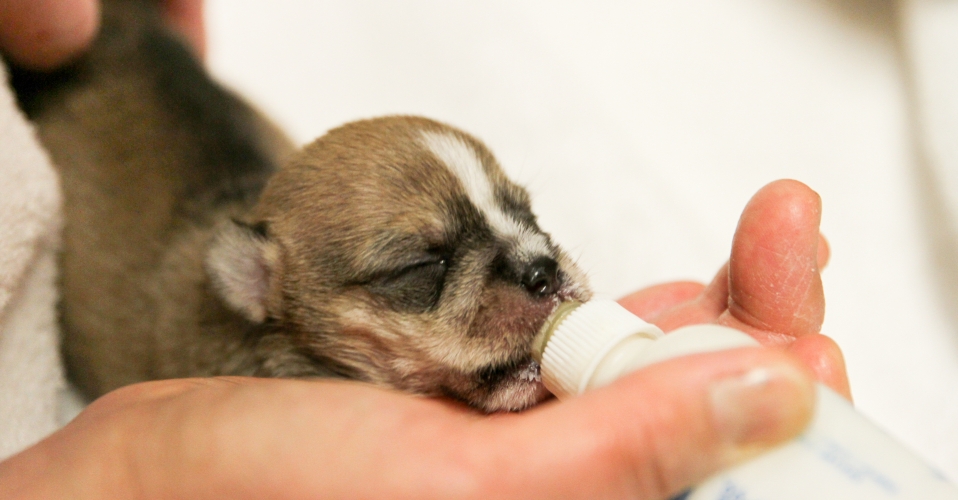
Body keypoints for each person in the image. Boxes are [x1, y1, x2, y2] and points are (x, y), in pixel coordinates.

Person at [0, 1, 849, 498]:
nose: (538, 269)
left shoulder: (324, 238)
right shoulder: (254, 355)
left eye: (519, 217)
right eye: (425, 269)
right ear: (263, 287)